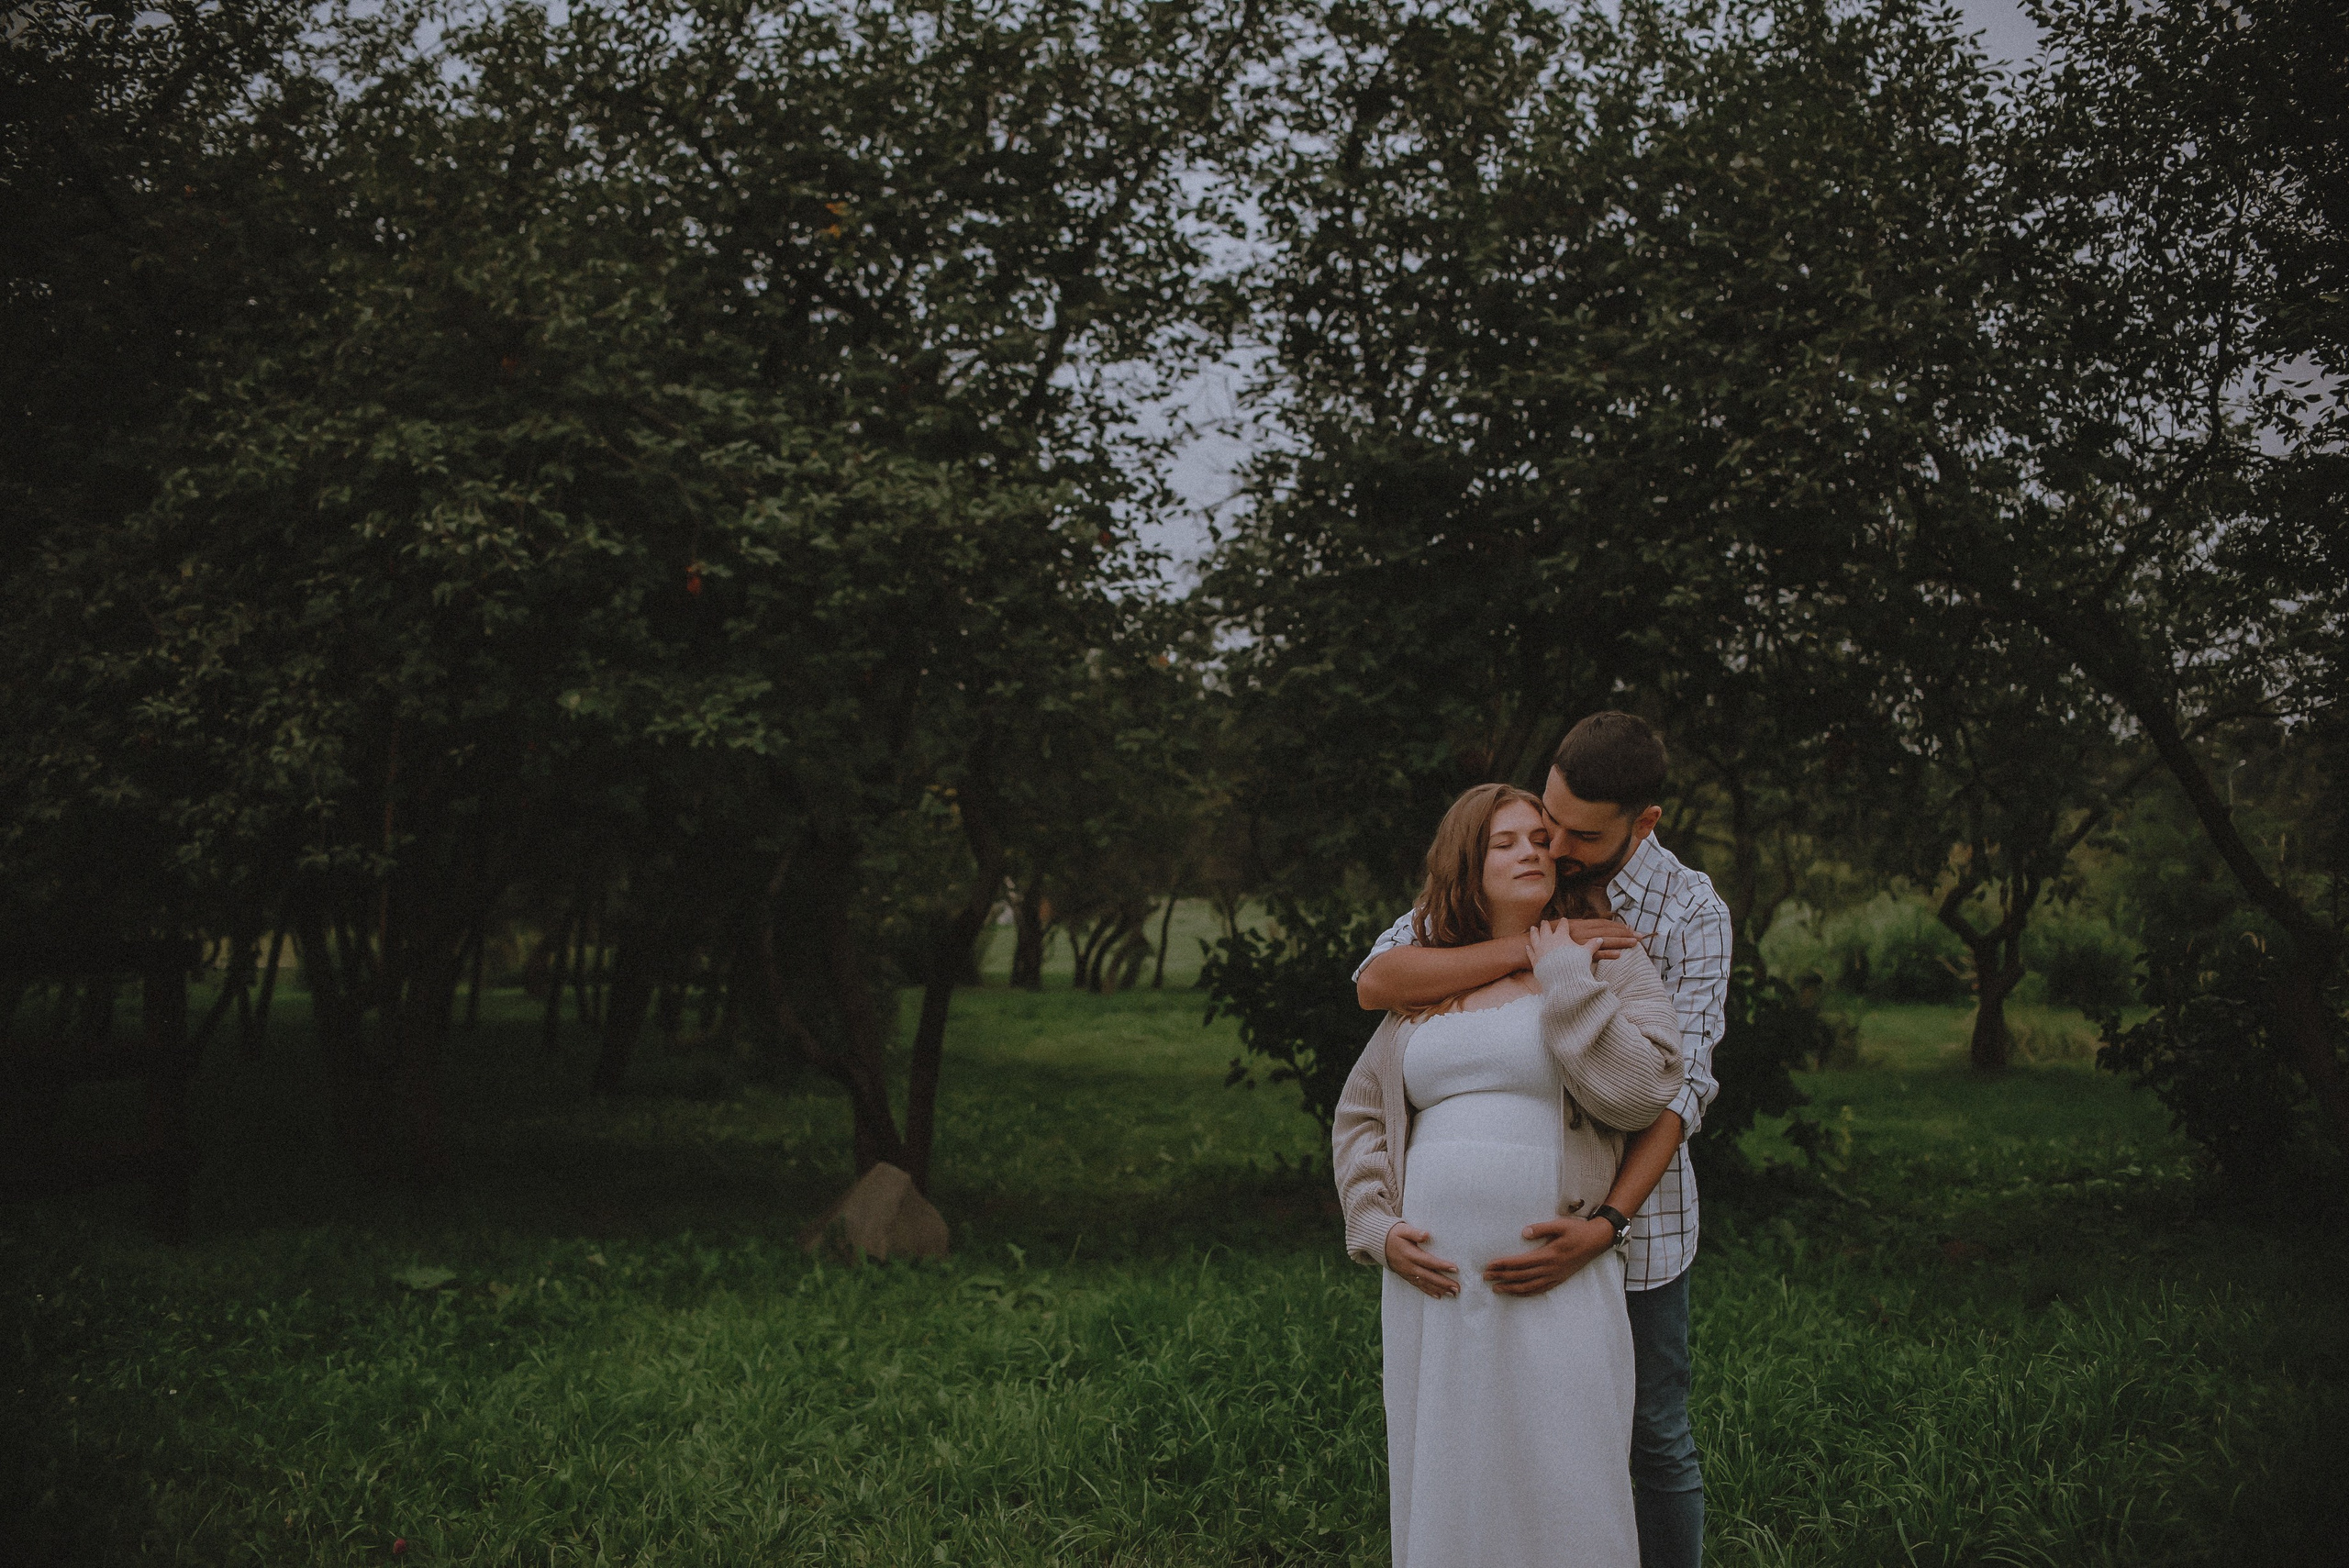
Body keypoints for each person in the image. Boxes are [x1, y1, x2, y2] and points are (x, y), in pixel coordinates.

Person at [1354, 712, 1730, 1568]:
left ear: (1643, 823)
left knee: (1648, 1433)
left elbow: (1675, 1090)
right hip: (1463, 1258)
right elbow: (1380, 979)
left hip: (1640, 1210)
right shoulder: (1520, 876)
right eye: (1543, 822)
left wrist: (1607, 1223)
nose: (1552, 847)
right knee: (1479, 1432)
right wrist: (1531, 948)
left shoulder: (1687, 912)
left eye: (1576, 835)